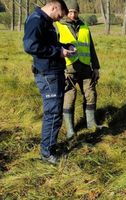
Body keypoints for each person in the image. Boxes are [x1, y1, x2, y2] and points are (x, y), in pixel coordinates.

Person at [23, 0, 73, 164]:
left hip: (53, 72)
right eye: (59, 15)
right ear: (54, 7)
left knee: (55, 112)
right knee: (52, 113)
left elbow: (48, 44)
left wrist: (65, 47)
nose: (59, 19)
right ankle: (47, 153)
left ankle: (50, 146)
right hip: (47, 73)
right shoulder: (36, 19)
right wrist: (58, 52)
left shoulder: (46, 21)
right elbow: (30, 46)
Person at [55, 0, 101, 142]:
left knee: (90, 94)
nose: (72, 14)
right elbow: (54, 49)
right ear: (65, 12)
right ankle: (70, 130)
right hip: (68, 68)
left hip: (86, 67)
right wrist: (59, 69)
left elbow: (91, 48)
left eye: (75, 11)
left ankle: (91, 124)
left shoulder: (84, 27)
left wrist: (96, 67)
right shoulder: (57, 26)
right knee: (70, 96)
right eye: (70, 11)